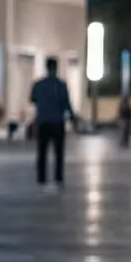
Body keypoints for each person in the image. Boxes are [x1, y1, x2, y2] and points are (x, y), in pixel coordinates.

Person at [29, 55, 75, 185]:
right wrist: (72, 118)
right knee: (59, 152)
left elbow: (32, 100)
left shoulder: (38, 85)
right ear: (56, 67)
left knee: (42, 151)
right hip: (57, 122)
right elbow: (67, 103)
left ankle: (41, 177)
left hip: (43, 121)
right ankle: (58, 177)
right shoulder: (61, 85)